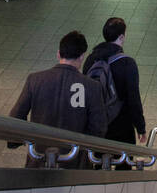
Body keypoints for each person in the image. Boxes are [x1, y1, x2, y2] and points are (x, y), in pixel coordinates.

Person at [9, 30, 107, 169]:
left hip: (39, 157)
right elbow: (98, 127)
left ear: (58, 54)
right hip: (75, 161)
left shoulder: (35, 80)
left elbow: (17, 115)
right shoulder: (92, 86)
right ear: (82, 56)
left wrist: (15, 141)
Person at [83, 17, 147, 163]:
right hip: (121, 123)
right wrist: (140, 127)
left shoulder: (91, 59)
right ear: (122, 37)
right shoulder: (127, 63)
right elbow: (133, 98)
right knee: (123, 164)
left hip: (97, 122)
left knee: (98, 163)